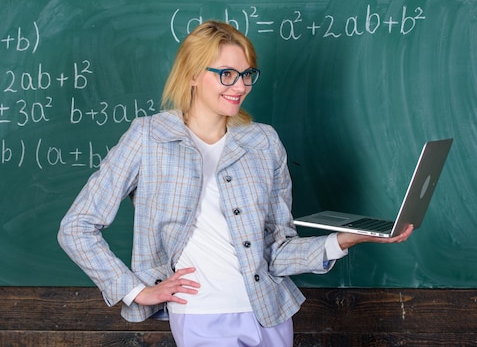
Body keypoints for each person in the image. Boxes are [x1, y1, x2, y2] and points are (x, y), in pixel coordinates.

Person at [58, 20, 413, 347]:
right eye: (227, 74)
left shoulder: (262, 141)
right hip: (201, 316)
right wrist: (135, 290)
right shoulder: (149, 137)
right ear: (193, 74)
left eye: (246, 75)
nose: (240, 86)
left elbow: (276, 248)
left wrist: (344, 240)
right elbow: (77, 227)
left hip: (269, 312)